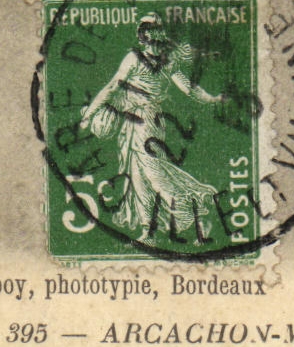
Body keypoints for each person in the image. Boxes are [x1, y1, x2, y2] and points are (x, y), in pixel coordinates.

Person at [79, 14, 227, 241]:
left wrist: (88, 114)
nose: (154, 39)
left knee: (151, 168)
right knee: (136, 175)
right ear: (145, 36)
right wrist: (212, 99)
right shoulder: (155, 60)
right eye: (151, 34)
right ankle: (149, 230)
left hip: (147, 119)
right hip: (136, 120)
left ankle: (185, 207)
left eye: (156, 35)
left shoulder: (151, 60)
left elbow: (188, 89)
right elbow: (189, 89)